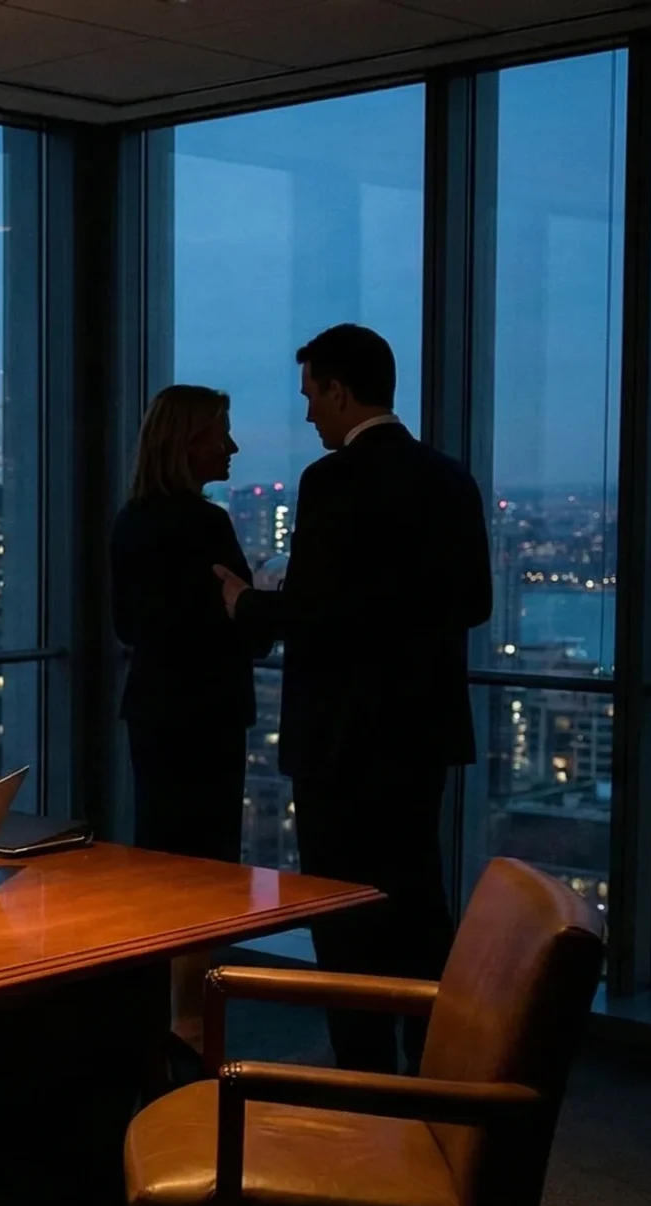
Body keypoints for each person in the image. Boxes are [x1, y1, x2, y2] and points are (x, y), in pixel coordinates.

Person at [217, 324, 492, 1075]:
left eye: (311, 396)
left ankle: (362, 1073)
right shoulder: (451, 478)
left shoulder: (331, 482)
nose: (308, 416)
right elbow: (473, 603)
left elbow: (316, 613)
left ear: (340, 390)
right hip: (422, 732)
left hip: (342, 739)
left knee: (344, 912)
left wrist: (246, 602)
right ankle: (434, 1061)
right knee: (418, 895)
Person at [112, 384, 273, 1083]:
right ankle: (191, 1021)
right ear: (188, 444)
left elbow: (127, 627)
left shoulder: (130, 521)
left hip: (153, 712)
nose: (231, 447)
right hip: (207, 715)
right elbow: (249, 632)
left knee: (162, 866)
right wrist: (254, 602)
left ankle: (160, 1022)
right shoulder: (205, 525)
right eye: (220, 434)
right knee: (208, 872)